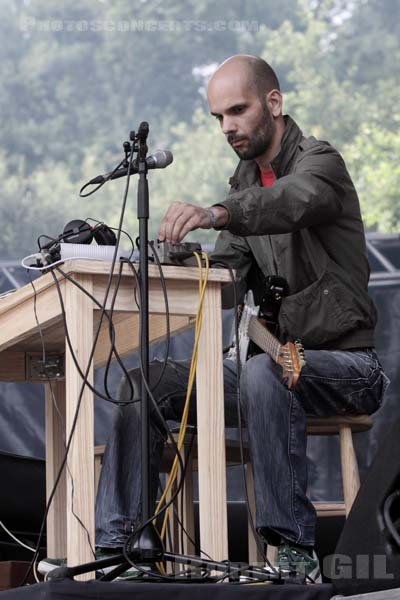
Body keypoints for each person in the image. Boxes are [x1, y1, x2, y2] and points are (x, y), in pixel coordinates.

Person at [41, 55, 390, 580]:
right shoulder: (245, 184)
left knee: (261, 370)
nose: (227, 126)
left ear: (273, 103)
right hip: (270, 368)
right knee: (149, 381)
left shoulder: (322, 164)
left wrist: (215, 213)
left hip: (348, 368)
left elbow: (291, 202)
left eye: (237, 110)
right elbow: (224, 276)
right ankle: (124, 550)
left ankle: (294, 553)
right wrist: (164, 260)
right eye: (218, 117)